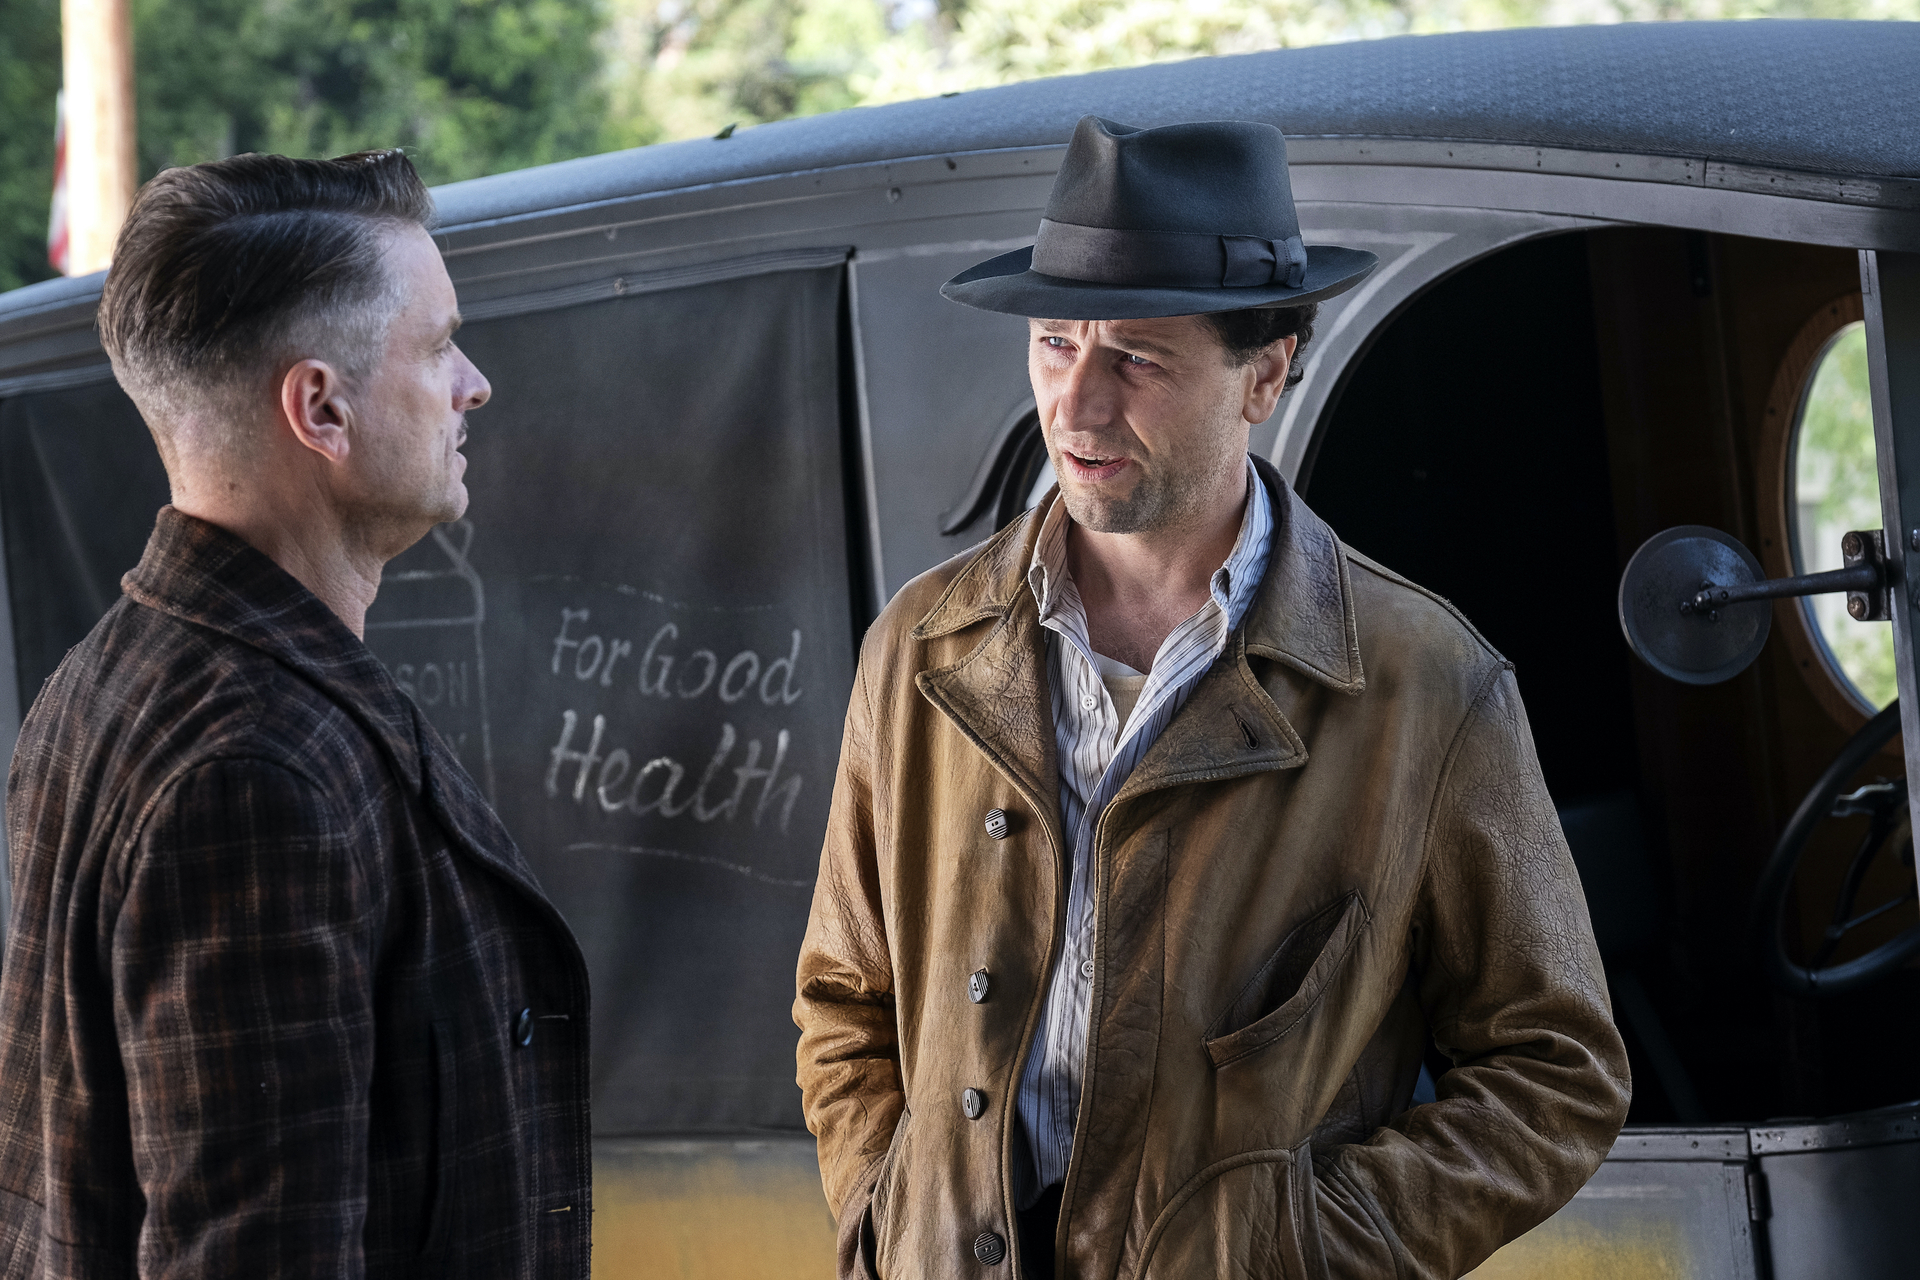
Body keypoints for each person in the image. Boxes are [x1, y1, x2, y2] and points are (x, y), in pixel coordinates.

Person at [794, 116, 1630, 1280]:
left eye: (1136, 358)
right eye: (1054, 342)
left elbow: (1556, 1068)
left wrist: (1310, 1248)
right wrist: (887, 1220)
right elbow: (844, 996)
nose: (1076, 407)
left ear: (1267, 371)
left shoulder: (1424, 684)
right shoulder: (920, 648)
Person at [0, 151, 591, 1278]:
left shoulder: (111, 675)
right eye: (437, 345)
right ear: (321, 406)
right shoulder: (255, 767)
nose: (474, 383)